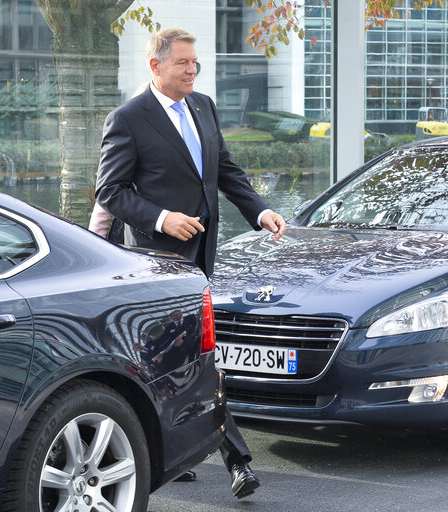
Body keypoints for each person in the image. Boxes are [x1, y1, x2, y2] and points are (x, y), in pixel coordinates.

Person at [95, 28, 287, 499]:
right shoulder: (128, 119)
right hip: (158, 261)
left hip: (202, 257)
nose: (192, 70)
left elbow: (224, 170)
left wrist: (259, 212)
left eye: (194, 63)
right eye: (183, 62)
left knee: (176, 362)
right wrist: (162, 219)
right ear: (155, 65)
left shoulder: (203, 106)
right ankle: (238, 460)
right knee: (200, 360)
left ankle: (176, 450)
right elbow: (110, 192)